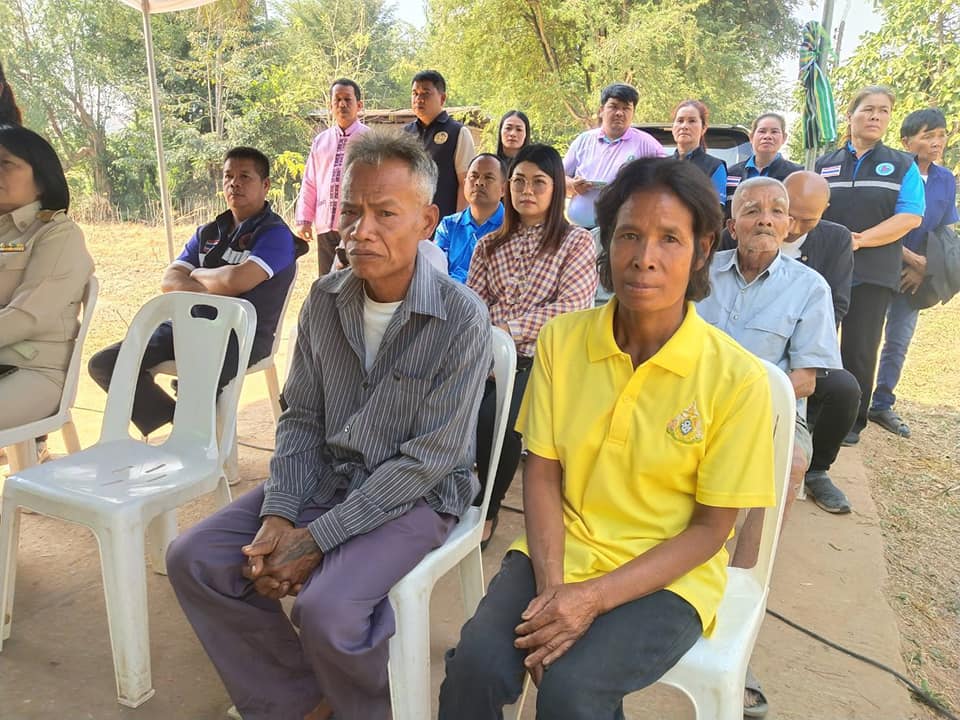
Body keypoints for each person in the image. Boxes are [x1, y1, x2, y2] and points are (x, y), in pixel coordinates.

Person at [166, 130, 492, 720]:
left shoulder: (461, 317)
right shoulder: (324, 299)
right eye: (351, 211)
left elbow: (429, 460)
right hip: (327, 475)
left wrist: (315, 539)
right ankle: (305, 701)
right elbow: (301, 420)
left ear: (426, 221)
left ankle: (360, 709)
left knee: (328, 609)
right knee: (197, 558)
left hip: (416, 497)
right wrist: (278, 517)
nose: (361, 230)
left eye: (385, 213)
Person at [438, 157, 776, 720]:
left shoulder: (736, 378)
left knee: (571, 687)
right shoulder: (562, 342)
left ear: (702, 248)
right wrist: (554, 594)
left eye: (670, 238)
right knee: (474, 664)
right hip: (560, 547)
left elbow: (712, 530)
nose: (645, 257)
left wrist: (590, 600)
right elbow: (542, 472)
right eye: (629, 235)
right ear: (606, 243)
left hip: (669, 574)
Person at [697, 177, 842, 718]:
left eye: (776, 211)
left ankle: (735, 622)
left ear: (791, 226)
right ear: (729, 224)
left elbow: (804, 379)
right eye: (751, 209)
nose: (764, 218)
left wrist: (741, 392)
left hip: (769, 414)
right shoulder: (698, 272)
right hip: (689, 407)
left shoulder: (810, 288)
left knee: (788, 465)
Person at [88, 147, 298, 438]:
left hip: (241, 337)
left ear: (265, 185)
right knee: (106, 363)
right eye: (228, 176)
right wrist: (214, 285)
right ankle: (177, 422)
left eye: (244, 176)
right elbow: (169, 280)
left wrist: (197, 273)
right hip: (186, 327)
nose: (234, 183)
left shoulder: (275, 234)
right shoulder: (209, 232)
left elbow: (237, 280)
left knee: (197, 373)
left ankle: (198, 440)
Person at [467, 143, 597, 547]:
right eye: (519, 181)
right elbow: (474, 305)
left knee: (497, 419)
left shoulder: (576, 243)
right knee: (439, 403)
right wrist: (491, 343)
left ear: (556, 188)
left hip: (544, 361)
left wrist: (505, 331)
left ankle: (485, 509)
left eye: (539, 182)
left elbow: (571, 308)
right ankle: (439, 496)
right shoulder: (489, 245)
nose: (527, 190)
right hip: (486, 355)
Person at [816, 86, 925, 446]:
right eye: (868, 110)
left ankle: (850, 422)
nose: (876, 116)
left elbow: (910, 216)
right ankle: (815, 412)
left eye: (883, 111)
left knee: (860, 350)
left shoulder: (901, 164)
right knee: (819, 344)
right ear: (850, 116)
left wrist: (861, 239)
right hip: (827, 271)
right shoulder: (825, 164)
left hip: (874, 271)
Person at [869, 108, 958, 438]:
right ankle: (851, 401)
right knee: (862, 336)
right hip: (878, 265)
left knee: (898, 341)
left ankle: (881, 403)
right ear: (906, 141)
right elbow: (875, 221)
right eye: (928, 136)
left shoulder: (945, 180)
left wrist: (926, 269)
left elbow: (943, 234)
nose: (937, 143)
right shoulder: (891, 170)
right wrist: (906, 257)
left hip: (915, 278)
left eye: (941, 135)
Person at [0, 124, 94, 434]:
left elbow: (27, 316)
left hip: (34, 372)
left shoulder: (56, 233)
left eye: (5, 163)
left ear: (41, 178)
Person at [295, 78, 370, 275]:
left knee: (354, 278)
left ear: (359, 105)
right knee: (325, 281)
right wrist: (304, 219)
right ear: (330, 106)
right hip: (326, 224)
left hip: (356, 225)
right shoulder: (321, 141)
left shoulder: (370, 140)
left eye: (348, 99)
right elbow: (310, 181)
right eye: (337, 100)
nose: (342, 104)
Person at [564, 83, 665, 229]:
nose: (619, 113)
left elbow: (665, 183)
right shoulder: (583, 141)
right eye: (614, 106)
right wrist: (572, 185)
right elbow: (557, 177)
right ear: (601, 110)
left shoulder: (647, 144)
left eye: (626, 108)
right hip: (577, 230)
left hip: (620, 232)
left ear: (633, 113)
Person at [403, 70, 476, 219]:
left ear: (442, 98)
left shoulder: (458, 133)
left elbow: (465, 184)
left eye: (425, 93)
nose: (419, 99)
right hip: (408, 221)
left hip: (442, 225)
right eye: (415, 93)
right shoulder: (404, 134)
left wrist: (457, 225)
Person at [435, 153, 505, 282]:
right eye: (474, 176)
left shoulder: (512, 228)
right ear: (465, 182)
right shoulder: (448, 226)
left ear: (503, 189)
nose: (479, 182)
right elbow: (436, 273)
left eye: (488, 177)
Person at [725, 113, 803, 217]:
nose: (767, 136)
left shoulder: (796, 175)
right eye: (762, 131)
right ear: (751, 137)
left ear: (784, 138)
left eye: (774, 132)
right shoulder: (731, 173)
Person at [671, 99, 727, 207]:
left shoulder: (715, 166)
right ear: (672, 127)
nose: (684, 126)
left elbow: (716, 212)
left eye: (692, 121)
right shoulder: (661, 165)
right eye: (680, 120)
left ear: (704, 128)